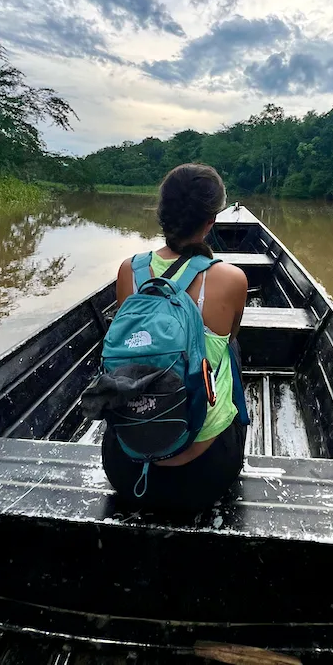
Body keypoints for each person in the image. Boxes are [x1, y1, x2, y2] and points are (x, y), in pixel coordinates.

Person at [101, 163, 249, 515]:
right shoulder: (232, 279)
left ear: (162, 214)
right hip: (204, 476)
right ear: (211, 221)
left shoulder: (130, 270)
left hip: (126, 471)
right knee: (229, 348)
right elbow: (230, 339)